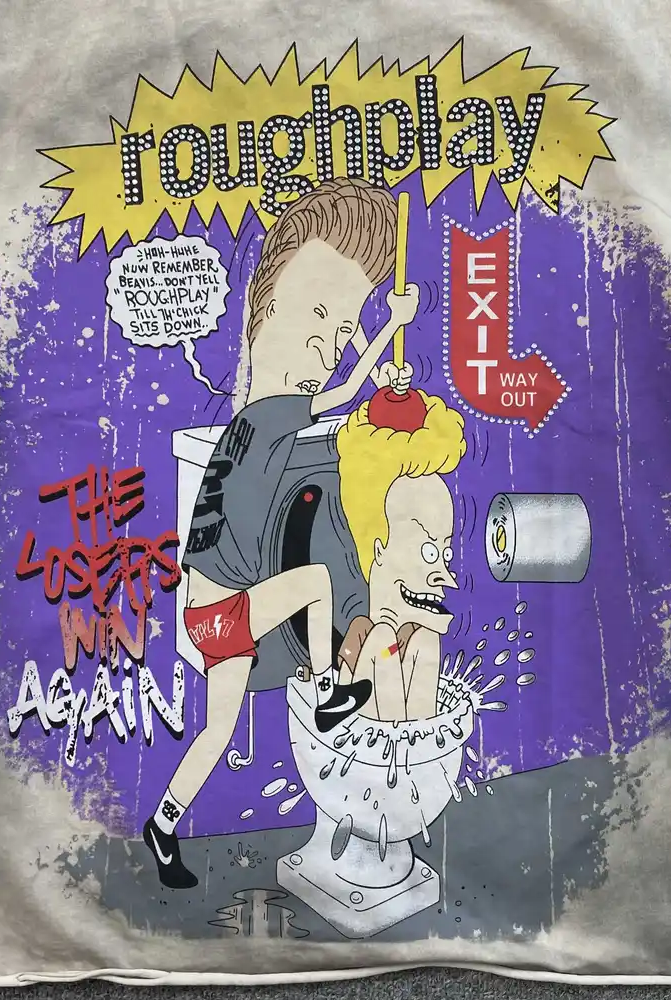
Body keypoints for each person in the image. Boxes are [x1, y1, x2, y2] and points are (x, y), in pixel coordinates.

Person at [144, 177, 419, 888]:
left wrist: (375, 339)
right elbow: (343, 394)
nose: (330, 344)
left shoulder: (246, 418)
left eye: (341, 331)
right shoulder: (273, 414)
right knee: (317, 582)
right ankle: (329, 690)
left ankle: (164, 824)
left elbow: (331, 399)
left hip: (209, 618)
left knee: (216, 732)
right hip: (227, 614)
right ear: (264, 308)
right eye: (320, 314)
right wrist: (387, 328)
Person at [333, 390, 466, 722]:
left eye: (445, 552)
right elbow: (336, 707)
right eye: (427, 552)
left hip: (414, 745)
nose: (445, 576)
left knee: (425, 639)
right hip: (362, 739)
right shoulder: (365, 633)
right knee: (382, 639)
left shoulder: (421, 639)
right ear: (379, 549)